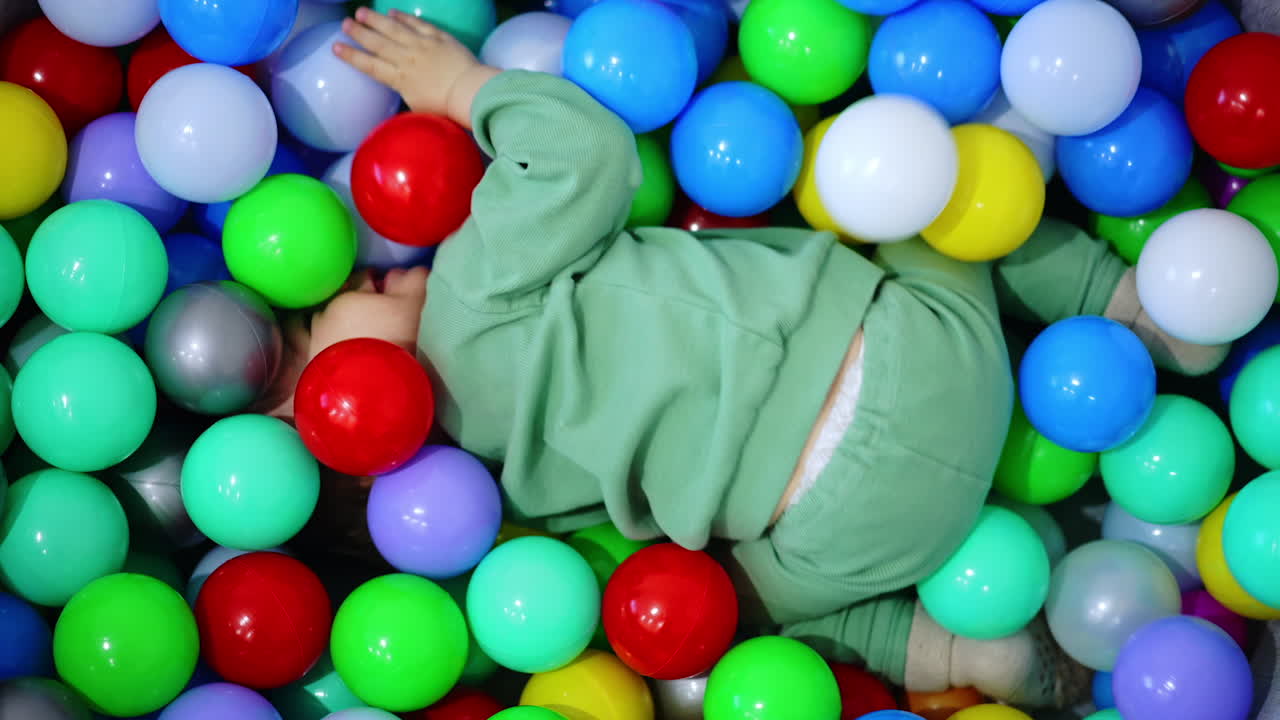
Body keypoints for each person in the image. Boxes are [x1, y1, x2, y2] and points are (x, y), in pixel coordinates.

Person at [268, 6, 1230, 708]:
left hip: (864, 538)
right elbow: (584, 153)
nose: (345, 284)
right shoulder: (473, 286)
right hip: (917, 364)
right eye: (319, 332)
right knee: (929, 200)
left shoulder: (496, 497)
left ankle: (943, 650)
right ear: (340, 442)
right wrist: (458, 87)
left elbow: (649, 554)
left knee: (738, 604)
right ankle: (1137, 306)